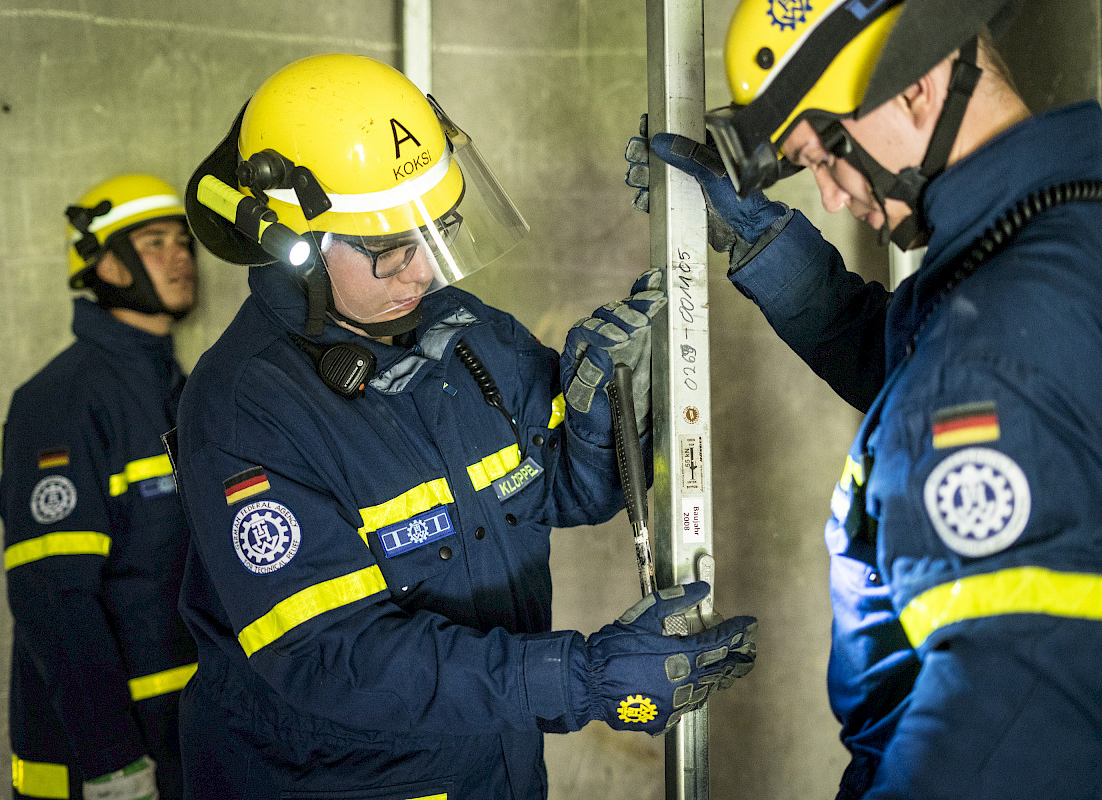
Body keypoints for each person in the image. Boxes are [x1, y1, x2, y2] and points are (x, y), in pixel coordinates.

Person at [171, 52, 757, 799]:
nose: (424, 272)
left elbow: (558, 496)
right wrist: (579, 678)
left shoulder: (467, 334)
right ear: (297, 249)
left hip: (494, 768)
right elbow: (329, 654)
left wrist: (599, 417)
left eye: (437, 229)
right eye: (388, 250)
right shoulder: (247, 406)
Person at [628, 0, 1102, 797]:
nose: (833, 195)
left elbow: (1007, 714)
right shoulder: (1057, 234)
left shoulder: (992, 344)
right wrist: (765, 244)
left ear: (914, 88)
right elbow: (918, 364)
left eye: (826, 153)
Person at [0, 174, 200, 800]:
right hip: (108, 760)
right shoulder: (61, 400)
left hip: (187, 738)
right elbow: (53, 598)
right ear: (106, 264)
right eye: (154, 242)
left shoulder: (188, 391)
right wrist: (113, 762)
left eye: (183, 241)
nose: (180, 257)